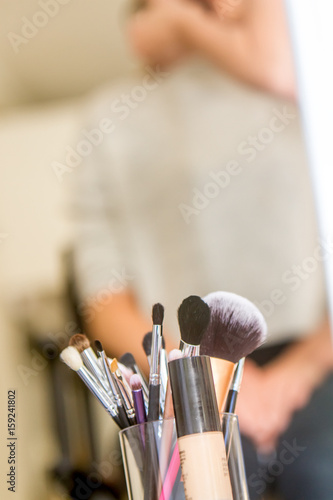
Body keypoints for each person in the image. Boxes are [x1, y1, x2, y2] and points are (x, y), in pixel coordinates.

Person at [69, 0, 333, 498]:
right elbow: (104, 295)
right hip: (179, 371)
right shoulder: (109, 122)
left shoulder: (306, 95)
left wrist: (299, 371)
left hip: (317, 358)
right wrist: (196, 379)